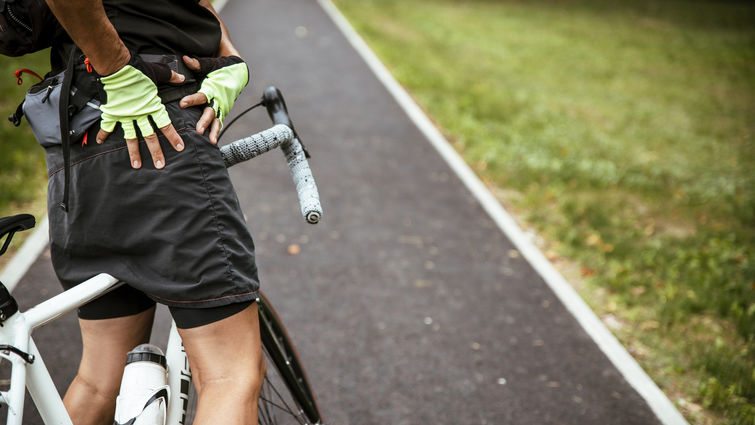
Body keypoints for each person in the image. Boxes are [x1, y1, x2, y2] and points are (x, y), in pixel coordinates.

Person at [39, 0, 265, 423]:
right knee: (229, 375)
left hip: (79, 144)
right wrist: (117, 71)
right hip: (159, 123)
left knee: (99, 380)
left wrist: (229, 57)